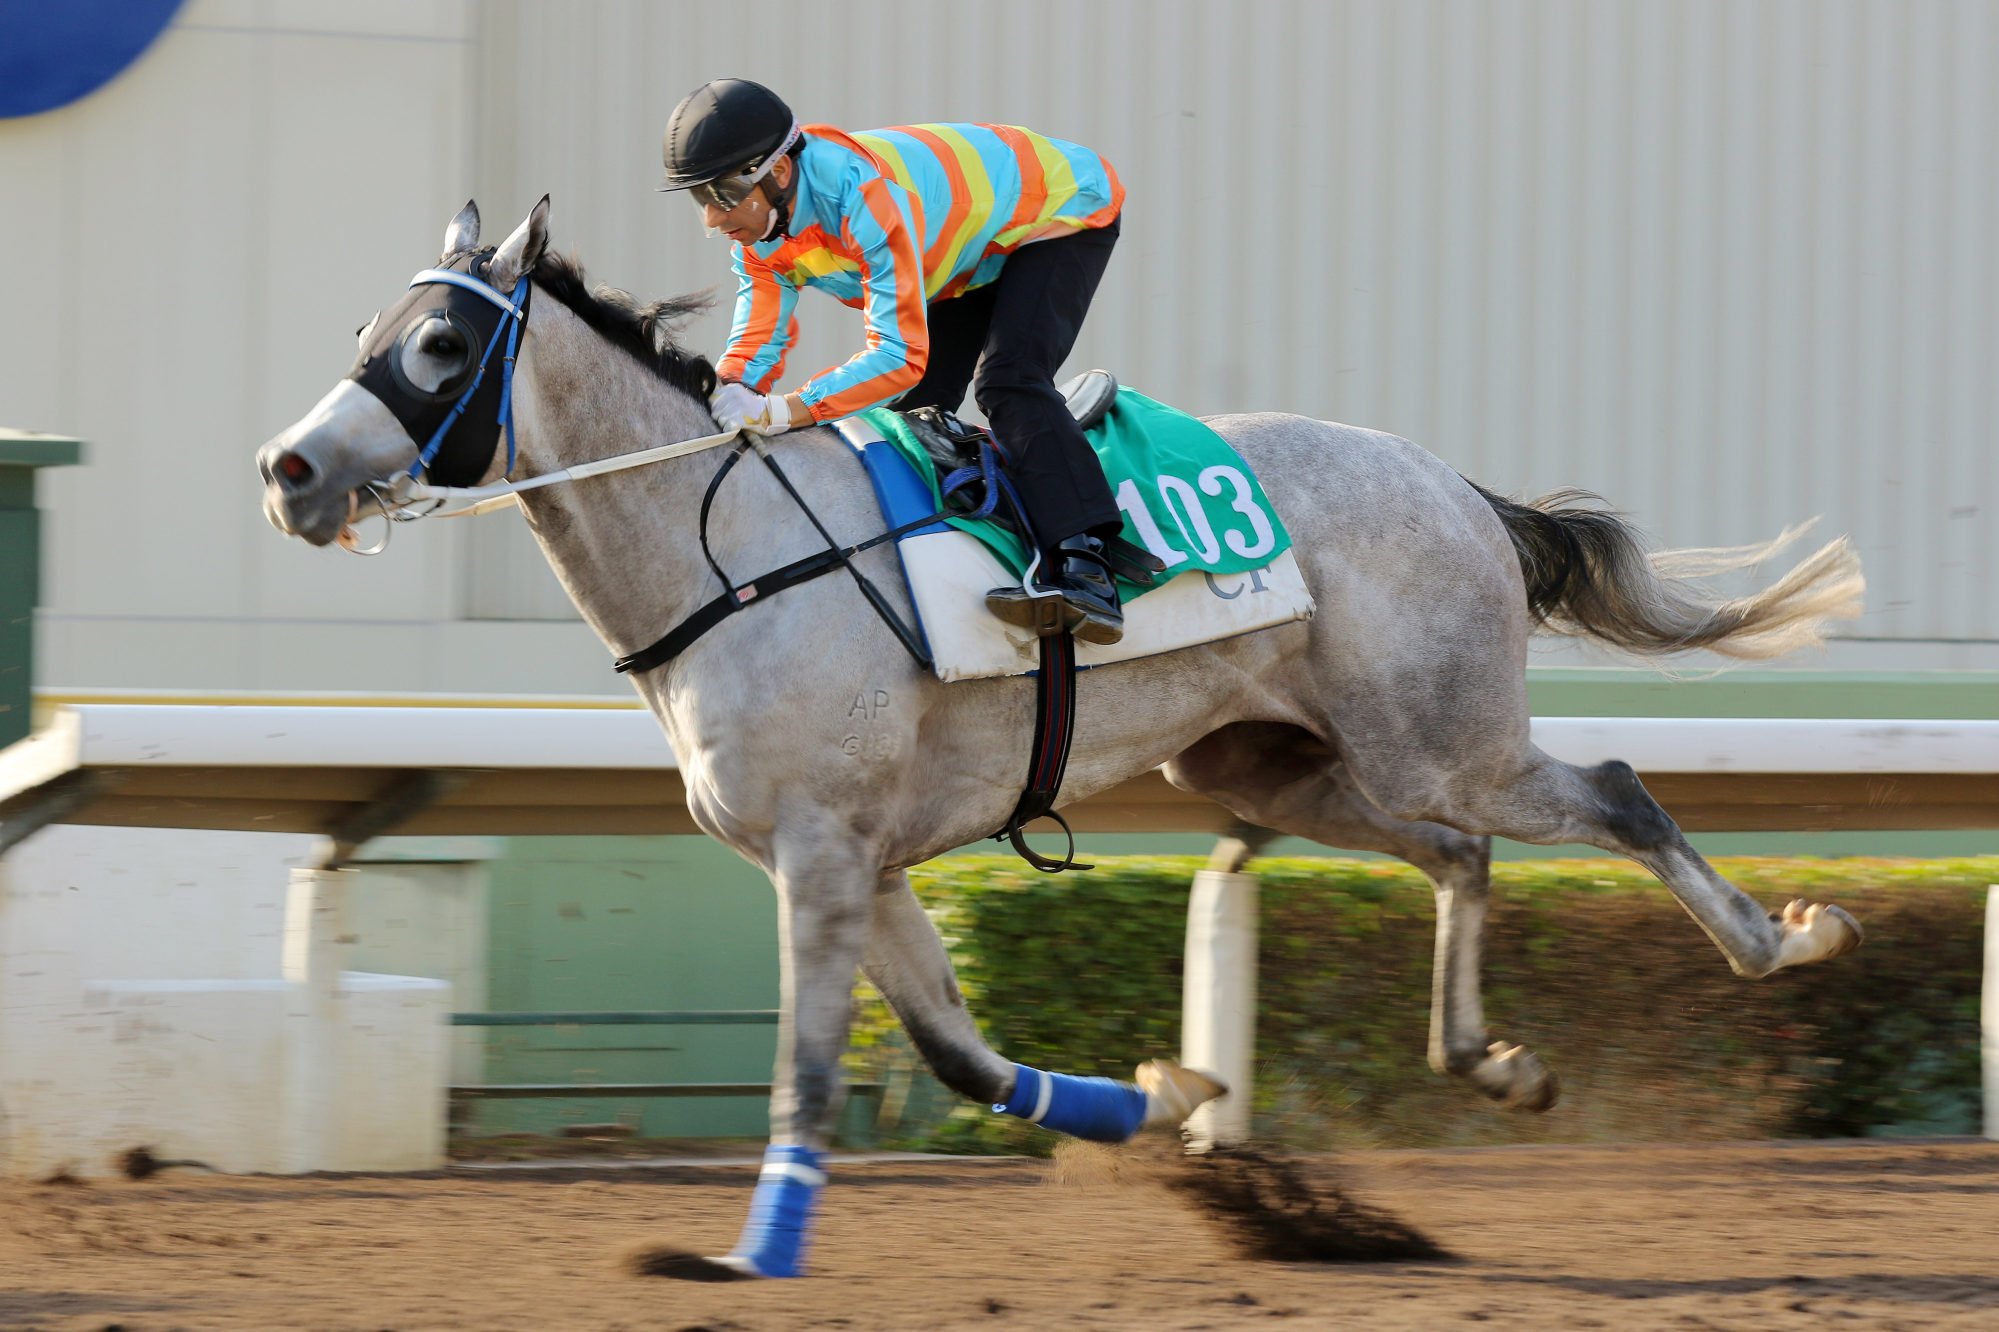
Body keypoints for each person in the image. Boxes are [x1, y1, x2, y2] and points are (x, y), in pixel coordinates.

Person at [659, 78, 1128, 645]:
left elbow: (898, 355)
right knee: (916, 414)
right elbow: (757, 340)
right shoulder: (758, 231)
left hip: (1056, 212)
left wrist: (786, 411)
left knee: (1009, 381)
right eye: (699, 198)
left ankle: (1087, 565)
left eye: (723, 193)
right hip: (961, 249)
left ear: (777, 173)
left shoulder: (862, 198)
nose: (712, 219)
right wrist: (727, 393)